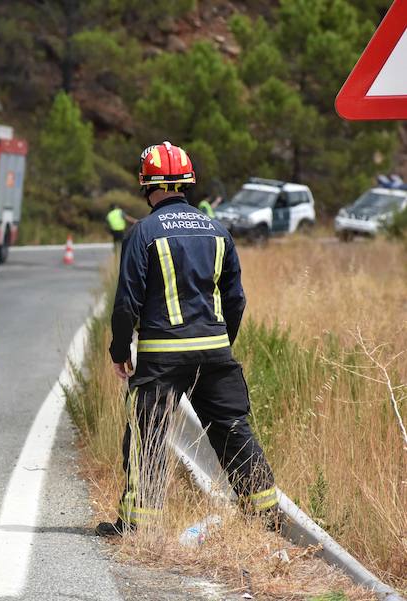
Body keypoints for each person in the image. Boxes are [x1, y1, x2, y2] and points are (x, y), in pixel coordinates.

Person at [96, 142, 279, 537]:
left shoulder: (143, 233)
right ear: (187, 183)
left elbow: (127, 301)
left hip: (162, 356)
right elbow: (236, 299)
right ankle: (265, 516)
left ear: (147, 185)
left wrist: (120, 350)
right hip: (215, 352)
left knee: (148, 436)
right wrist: (221, 342)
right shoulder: (218, 231)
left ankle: (138, 528)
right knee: (232, 430)